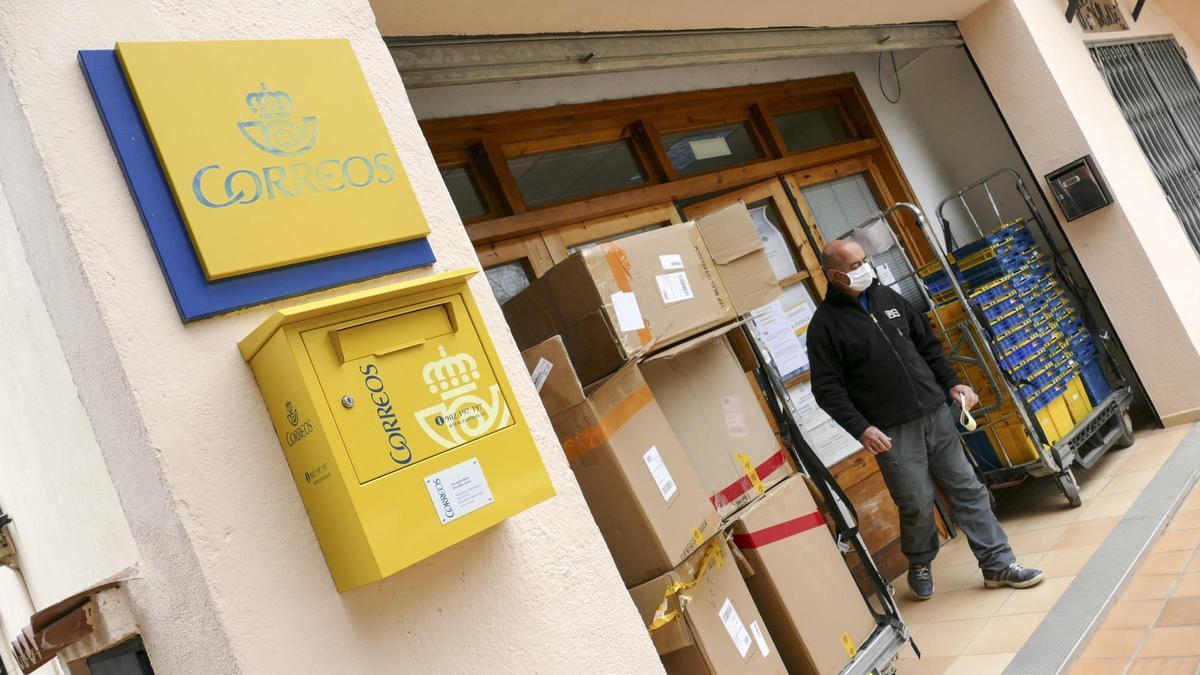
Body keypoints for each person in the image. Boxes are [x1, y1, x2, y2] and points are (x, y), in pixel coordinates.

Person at [807, 239, 1043, 600]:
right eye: (855, 265)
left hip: (936, 413)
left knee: (968, 488)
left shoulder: (888, 299)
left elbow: (928, 345)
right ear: (834, 274)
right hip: (891, 430)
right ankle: (920, 559)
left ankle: (998, 564)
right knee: (916, 501)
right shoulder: (825, 326)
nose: (864, 268)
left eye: (865, 260)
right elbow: (826, 389)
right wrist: (861, 428)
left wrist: (953, 383)